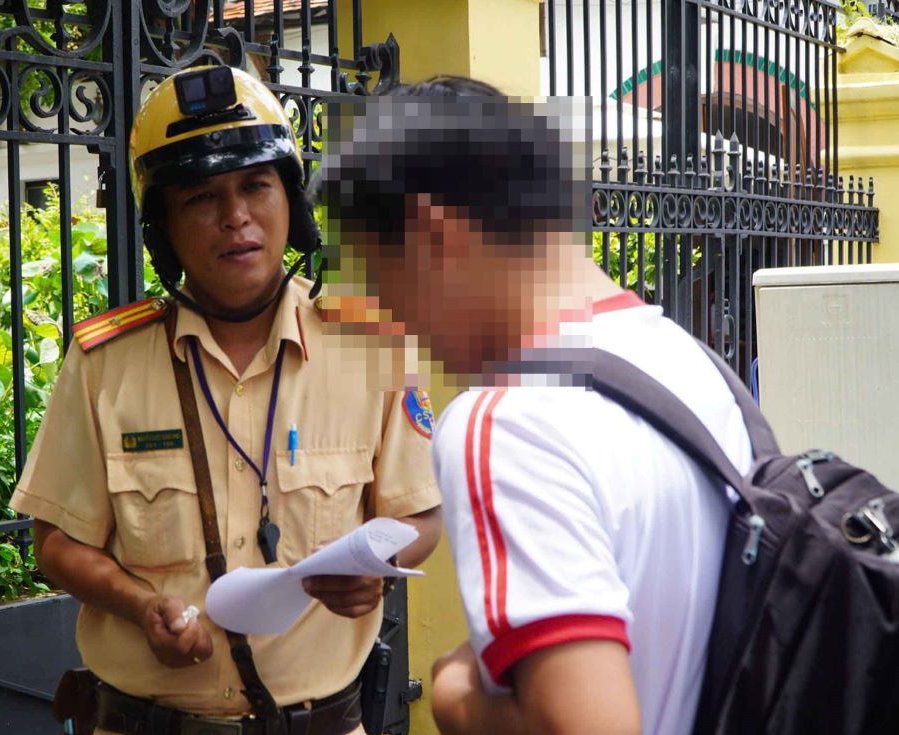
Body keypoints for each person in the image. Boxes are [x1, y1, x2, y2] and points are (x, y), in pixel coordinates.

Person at [9, 65, 442, 735]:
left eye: (255, 185)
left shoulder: (374, 348)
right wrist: (138, 604)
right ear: (164, 229)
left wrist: (380, 573)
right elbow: (58, 541)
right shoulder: (105, 365)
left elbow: (421, 516)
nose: (236, 216)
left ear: (291, 202)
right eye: (202, 197)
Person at [318, 78, 752, 735]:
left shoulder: (507, 422)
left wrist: (455, 691)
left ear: (434, 238)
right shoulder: (686, 364)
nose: (397, 322)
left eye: (385, 284)